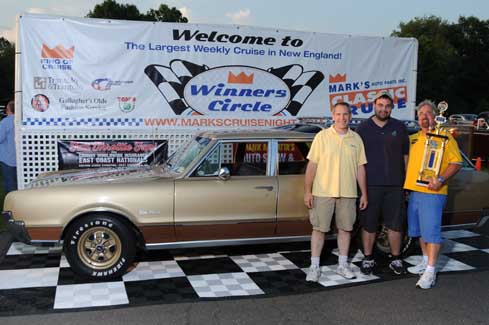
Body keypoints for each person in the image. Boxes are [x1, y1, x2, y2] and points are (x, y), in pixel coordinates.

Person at [304, 102, 368, 282]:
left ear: (350, 116)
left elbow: (360, 168)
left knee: (345, 229)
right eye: (338, 114)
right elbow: (312, 166)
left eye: (345, 114)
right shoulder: (322, 136)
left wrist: (364, 193)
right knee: (319, 230)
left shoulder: (356, 139)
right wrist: (307, 192)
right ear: (333, 116)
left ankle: (342, 265)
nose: (342, 118)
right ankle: (314, 267)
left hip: (348, 193)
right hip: (322, 193)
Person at [404, 100, 462, 289]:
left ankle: (431, 271)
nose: (424, 117)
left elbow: (456, 163)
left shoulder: (444, 136)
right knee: (420, 231)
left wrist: (441, 179)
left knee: (432, 233)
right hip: (414, 192)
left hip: (433, 193)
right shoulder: (413, 138)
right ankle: (424, 261)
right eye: (420, 114)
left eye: (428, 113)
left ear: (436, 115)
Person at [355, 90, 410, 275]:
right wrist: (361, 189)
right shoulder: (362, 128)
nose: (383, 109)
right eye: (380, 105)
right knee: (369, 225)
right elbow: (357, 161)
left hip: (395, 186)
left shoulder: (400, 127)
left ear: (392, 108)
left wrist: (407, 183)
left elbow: (405, 157)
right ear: (374, 106)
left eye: (387, 106)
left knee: (396, 225)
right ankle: (368, 258)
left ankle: (396, 259)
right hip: (370, 186)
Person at [0, 100, 17, 193]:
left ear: (8, 109)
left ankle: (11, 205)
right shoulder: (22, 120)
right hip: (21, 157)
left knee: (9, 185)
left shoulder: (5, 122)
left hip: (7, 159)